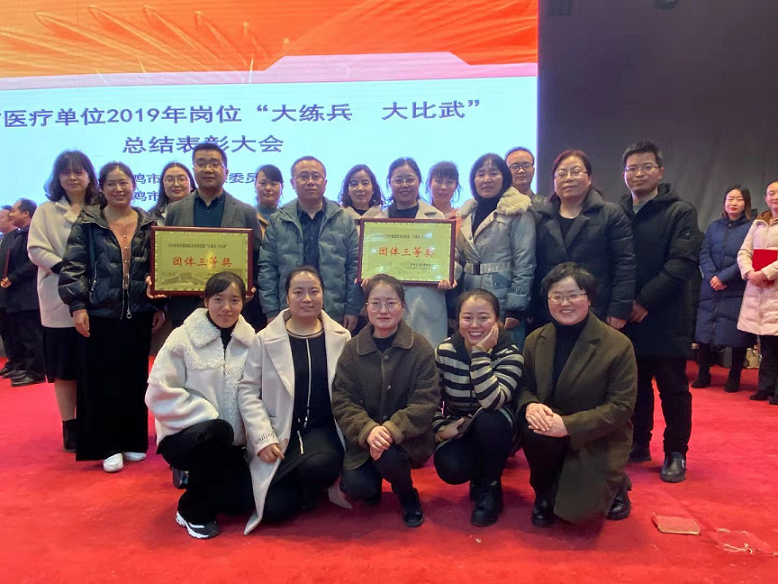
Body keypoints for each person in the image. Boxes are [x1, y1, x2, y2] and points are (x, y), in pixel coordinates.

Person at [58, 162, 165, 472]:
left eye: (124, 182)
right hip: (99, 313)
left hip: (139, 313)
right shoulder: (88, 222)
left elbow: (159, 269)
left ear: (134, 185)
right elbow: (73, 266)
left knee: (134, 378)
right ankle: (106, 445)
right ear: (101, 188)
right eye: (112, 184)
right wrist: (78, 306)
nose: (119, 189)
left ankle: (131, 440)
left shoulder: (149, 223)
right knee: (100, 381)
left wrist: (158, 305)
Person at [519, 263, 637, 527]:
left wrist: (568, 426)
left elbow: (621, 407)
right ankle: (543, 492)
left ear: (589, 298)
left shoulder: (618, 345)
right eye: (557, 296)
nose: (565, 303)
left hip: (596, 435)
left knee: (581, 514)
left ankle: (616, 483)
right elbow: (524, 386)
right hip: (550, 429)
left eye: (573, 295)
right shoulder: (535, 340)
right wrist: (530, 405)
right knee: (532, 427)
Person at [238, 267, 350, 531]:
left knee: (321, 466)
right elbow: (248, 390)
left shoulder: (341, 338)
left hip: (323, 430)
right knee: (273, 511)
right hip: (280, 431)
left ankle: (308, 480)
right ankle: (299, 484)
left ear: (323, 295)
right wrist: (263, 437)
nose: (307, 299)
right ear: (287, 296)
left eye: (314, 292)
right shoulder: (265, 339)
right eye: (298, 292)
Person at [146, 272, 257, 539]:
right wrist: (207, 416)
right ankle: (191, 510)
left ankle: (210, 485)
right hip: (184, 435)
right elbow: (158, 392)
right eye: (218, 299)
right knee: (215, 433)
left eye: (234, 300)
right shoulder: (182, 338)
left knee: (240, 503)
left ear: (244, 302)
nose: (226, 307)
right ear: (205, 301)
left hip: (232, 442)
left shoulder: (251, 340)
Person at [620, 140, 702, 483]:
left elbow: (681, 263)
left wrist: (645, 302)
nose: (638, 174)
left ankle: (675, 452)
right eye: (632, 168)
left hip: (666, 317)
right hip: (627, 319)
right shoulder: (619, 212)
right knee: (635, 388)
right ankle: (639, 443)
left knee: (673, 389)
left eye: (646, 167)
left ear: (660, 172)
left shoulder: (680, 212)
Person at [332, 274, 439, 527]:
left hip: (407, 439)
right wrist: (368, 430)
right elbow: (343, 399)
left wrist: (391, 429)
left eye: (391, 303)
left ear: (403, 306)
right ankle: (374, 477)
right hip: (365, 439)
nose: (383, 310)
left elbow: (426, 400)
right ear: (365, 307)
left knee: (389, 456)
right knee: (357, 488)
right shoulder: (352, 349)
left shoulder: (421, 348)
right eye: (375, 303)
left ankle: (407, 494)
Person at [27, 151, 101, 450]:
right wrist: (67, 269)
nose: (72, 177)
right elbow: (36, 249)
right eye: (66, 172)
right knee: (64, 369)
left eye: (79, 171)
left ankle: (92, 421)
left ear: (89, 176)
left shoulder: (101, 208)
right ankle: (69, 425)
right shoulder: (46, 210)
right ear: (57, 178)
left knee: (93, 366)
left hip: (98, 297)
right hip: (58, 295)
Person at [433, 289, 523, 527]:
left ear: (497, 321)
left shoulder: (510, 354)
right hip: (461, 427)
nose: (475, 325)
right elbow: (431, 398)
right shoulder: (444, 351)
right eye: (467, 318)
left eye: (483, 318)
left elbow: (492, 401)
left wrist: (480, 354)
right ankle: (478, 474)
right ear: (457, 320)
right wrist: (440, 428)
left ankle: (492, 485)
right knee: (450, 467)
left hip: (500, 429)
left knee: (489, 419)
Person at [164, 143, 263, 329]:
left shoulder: (246, 212)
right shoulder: (176, 210)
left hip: (230, 307)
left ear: (226, 172)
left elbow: (258, 257)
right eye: (201, 164)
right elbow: (167, 255)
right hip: (185, 306)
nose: (208, 169)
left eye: (215, 164)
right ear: (193, 169)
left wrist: (251, 286)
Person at [533, 150, 635, 328]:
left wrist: (619, 309)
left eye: (575, 172)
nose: (568, 178)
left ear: (589, 178)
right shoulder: (541, 217)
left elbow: (625, 264)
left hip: (598, 309)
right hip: (551, 311)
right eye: (561, 174)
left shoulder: (611, 214)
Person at [258, 156, 360, 330]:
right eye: (304, 176)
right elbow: (268, 268)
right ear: (292, 182)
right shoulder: (278, 220)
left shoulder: (344, 220)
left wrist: (352, 308)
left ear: (325, 182)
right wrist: (271, 310)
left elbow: (354, 266)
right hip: (288, 311)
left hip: (334, 311)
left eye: (316, 176)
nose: (310, 182)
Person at [456, 153, 536, 348]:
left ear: (505, 178)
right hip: (470, 298)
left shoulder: (518, 211)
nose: (486, 179)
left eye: (493, 173)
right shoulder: (467, 214)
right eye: (480, 174)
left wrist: (515, 307)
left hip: (503, 301)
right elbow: (458, 257)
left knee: (504, 355)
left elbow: (525, 263)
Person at [375, 157, 450, 348]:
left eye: (410, 179)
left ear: (419, 181)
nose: (404, 185)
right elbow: (372, 260)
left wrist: (448, 275)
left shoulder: (437, 218)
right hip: (389, 302)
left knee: (426, 355)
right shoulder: (377, 222)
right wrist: (368, 276)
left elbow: (451, 258)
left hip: (426, 300)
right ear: (389, 183)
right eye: (398, 180)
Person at [693, 186, 754, 392]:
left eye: (738, 199)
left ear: (746, 203)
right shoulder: (714, 226)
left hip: (735, 286)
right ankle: (703, 373)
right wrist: (712, 275)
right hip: (711, 286)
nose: (733, 203)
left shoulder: (751, 228)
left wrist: (723, 277)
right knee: (705, 331)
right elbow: (704, 252)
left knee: (737, 335)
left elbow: (747, 258)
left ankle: (734, 376)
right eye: (730, 199)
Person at [737, 180, 778, 405]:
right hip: (759, 290)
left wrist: (765, 273)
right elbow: (744, 251)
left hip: (774, 286)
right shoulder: (758, 222)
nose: (775, 197)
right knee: (767, 343)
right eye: (771, 193)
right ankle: (765, 387)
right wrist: (749, 272)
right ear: (765, 198)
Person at [2, 199, 45, 386]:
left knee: (32, 335)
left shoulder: (33, 234)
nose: (11, 214)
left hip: (28, 294)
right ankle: (27, 367)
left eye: (14, 211)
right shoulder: (18, 235)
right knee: (24, 335)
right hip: (17, 295)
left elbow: (33, 262)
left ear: (26, 213)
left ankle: (36, 372)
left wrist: (13, 277)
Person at [0, 205, 19, 379]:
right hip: (2, 295)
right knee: (5, 332)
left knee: (16, 332)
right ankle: (13, 361)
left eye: (1, 218)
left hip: (14, 293)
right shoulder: (3, 239)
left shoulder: (17, 238)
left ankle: (23, 364)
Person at [255, 164, 283, 237]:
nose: (268, 188)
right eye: (263, 183)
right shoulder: (247, 217)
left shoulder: (289, 219)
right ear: (255, 185)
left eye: (273, 184)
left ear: (282, 187)